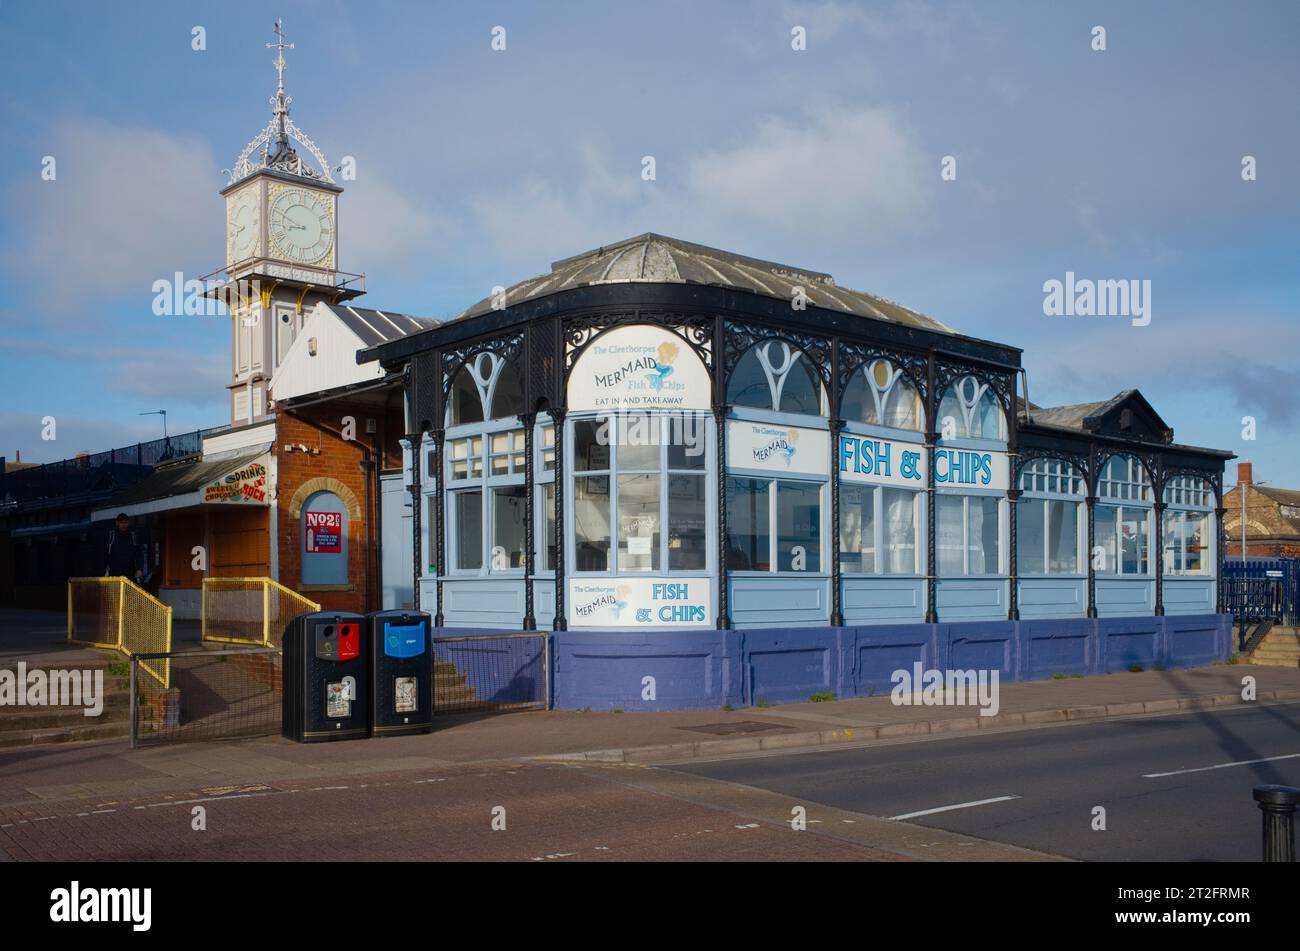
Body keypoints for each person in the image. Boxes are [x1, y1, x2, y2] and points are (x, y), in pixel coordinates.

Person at [105, 512, 144, 583]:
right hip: (114, 576)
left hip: (130, 576)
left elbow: (139, 554)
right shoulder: (111, 537)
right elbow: (104, 555)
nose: (124, 525)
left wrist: (139, 569)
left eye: (126, 522)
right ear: (117, 523)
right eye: (122, 523)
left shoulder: (133, 537)